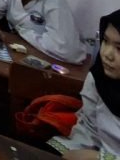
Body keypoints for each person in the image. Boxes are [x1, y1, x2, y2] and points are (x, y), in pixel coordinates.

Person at [49, 9, 120, 158]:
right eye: (105, 41)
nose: (107, 54)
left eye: (119, 48)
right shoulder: (100, 80)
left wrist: (99, 158)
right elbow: (88, 131)